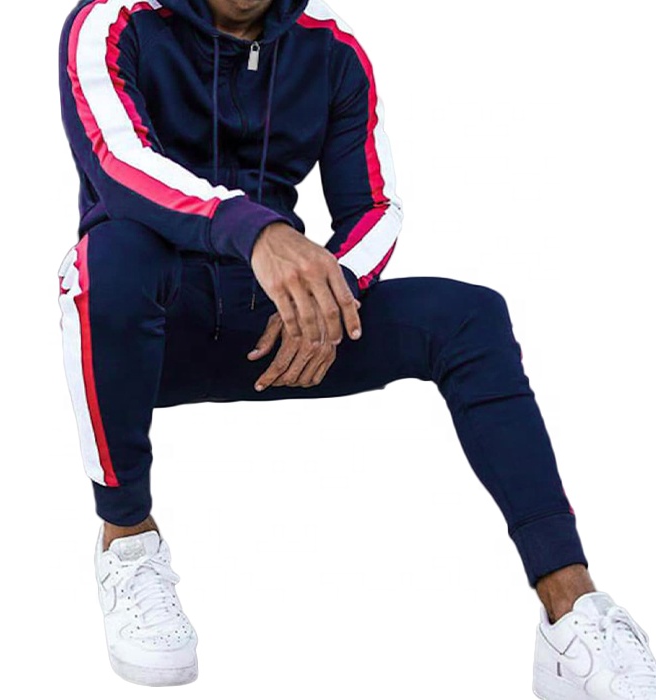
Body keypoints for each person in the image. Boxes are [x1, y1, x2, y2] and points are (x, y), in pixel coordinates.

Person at [57, 0, 656, 694]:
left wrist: (331, 293)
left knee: (471, 316)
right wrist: (255, 230)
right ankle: (128, 539)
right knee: (105, 262)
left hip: (278, 329)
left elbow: (373, 206)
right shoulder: (114, 22)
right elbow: (118, 161)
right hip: (156, 331)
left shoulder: (331, 49)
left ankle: (571, 610)